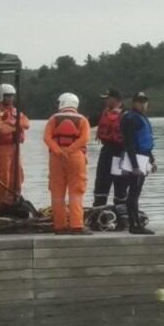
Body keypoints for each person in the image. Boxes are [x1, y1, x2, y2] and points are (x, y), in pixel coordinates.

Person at [44, 92, 91, 235]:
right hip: (76, 156)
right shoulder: (83, 120)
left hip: (56, 157)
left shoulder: (53, 119)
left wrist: (59, 151)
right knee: (76, 191)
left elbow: (47, 138)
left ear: (62, 103)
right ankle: (76, 225)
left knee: (57, 192)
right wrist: (70, 150)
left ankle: (59, 226)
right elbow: (84, 139)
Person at [120, 91, 157, 234]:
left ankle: (135, 224)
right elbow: (129, 144)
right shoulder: (130, 119)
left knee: (137, 191)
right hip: (135, 159)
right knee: (133, 193)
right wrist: (134, 165)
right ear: (134, 103)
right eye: (140, 102)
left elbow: (145, 143)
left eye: (145, 101)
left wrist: (152, 161)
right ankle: (134, 225)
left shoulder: (141, 118)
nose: (143, 104)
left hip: (143, 157)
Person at [0, 83, 29, 211]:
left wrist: (10, 125)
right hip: (1, 148)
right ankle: (1, 205)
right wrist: (15, 126)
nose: (10, 99)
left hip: (14, 148)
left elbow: (26, 123)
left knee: (18, 176)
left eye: (11, 96)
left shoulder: (16, 111)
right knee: (3, 177)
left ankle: (15, 202)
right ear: (1, 96)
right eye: (7, 96)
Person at [91, 89, 127, 228]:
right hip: (106, 151)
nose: (105, 101)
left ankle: (122, 220)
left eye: (108, 98)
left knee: (120, 187)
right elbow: (86, 122)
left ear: (116, 99)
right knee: (101, 185)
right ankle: (97, 218)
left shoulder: (126, 114)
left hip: (120, 153)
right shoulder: (103, 114)